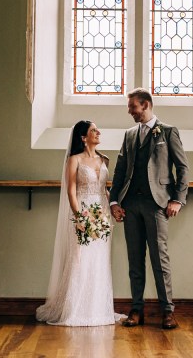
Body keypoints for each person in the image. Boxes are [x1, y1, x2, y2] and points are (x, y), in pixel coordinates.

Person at [109, 88, 189, 330]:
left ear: (145, 105)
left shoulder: (167, 131)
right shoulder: (130, 134)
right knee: (135, 259)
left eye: (133, 107)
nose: (130, 112)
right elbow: (120, 170)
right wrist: (114, 201)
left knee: (159, 259)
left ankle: (167, 311)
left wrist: (177, 199)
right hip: (130, 204)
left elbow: (183, 168)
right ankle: (136, 309)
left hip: (157, 204)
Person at [36, 120, 123, 326]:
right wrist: (80, 218)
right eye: (94, 130)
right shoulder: (74, 160)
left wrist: (111, 208)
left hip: (101, 213)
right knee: (80, 259)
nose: (98, 132)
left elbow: (105, 188)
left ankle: (98, 309)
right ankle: (74, 310)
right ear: (83, 137)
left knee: (99, 260)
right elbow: (71, 191)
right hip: (83, 210)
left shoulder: (104, 160)